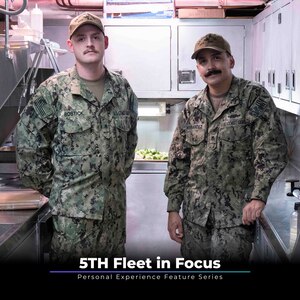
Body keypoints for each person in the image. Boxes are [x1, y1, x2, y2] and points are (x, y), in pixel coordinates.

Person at [16, 12, 138, 264]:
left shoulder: (123, 90)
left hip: (114, 219)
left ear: (106, 41)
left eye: (95, 37)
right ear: (71, 45)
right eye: (81, 38)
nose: (89, 43)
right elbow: (28, 148)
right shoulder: (53, 91)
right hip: (73, 223)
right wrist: (60, 191)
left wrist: (112, 180)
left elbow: (129, 145)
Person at [164, 33, 287, 263]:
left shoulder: (253, 96)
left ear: (231, 61)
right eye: (203, 61)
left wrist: (258, 197)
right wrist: (173, 209)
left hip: (235, 219)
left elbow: (271, 149)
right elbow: (178, 160)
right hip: (195, 218)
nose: (210, 66)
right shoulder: (193, 107)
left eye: (216, 58)